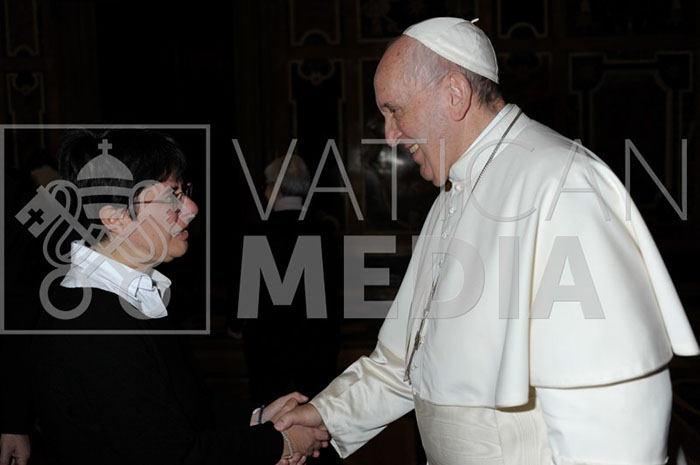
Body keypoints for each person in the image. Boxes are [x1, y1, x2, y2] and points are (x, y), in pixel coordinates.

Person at [274, 17, 700, 465]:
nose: (389, 135)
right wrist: (325, 415)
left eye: (395, 110)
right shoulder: (453, 193)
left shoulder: (560, 183)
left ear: (455, 94)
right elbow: (407, 363)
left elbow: (614, 418)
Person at [30, 129, 328, 465]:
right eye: (171, 196)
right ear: (115, 218)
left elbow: (182, 403)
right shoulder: (92, 321)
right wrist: (279, 443)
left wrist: (258, 417)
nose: (191, 207)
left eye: (183, 191)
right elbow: (171, 454)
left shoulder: (130, 294)